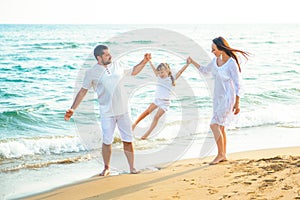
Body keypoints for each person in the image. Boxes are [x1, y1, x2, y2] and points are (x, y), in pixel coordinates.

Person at [64, 45, 151, 176]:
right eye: (106, 55)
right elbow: (82, 92)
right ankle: (106, 168)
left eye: (109, 53)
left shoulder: (118, 65)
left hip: (124, 110)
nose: (109, 56)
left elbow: (133, 71)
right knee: (107, 141)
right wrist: (73, 108)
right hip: (107, 113)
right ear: (98, 58)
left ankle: (132, 167)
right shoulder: (91, 73)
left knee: (128, 140)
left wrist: (144, 61)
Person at [188, 36, 249, 165]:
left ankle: (220, 154)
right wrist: (192, 62)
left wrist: (237, 103)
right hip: (218, 98)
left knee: (214, 125)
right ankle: (223, 154)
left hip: (228, 98)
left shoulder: (231, 63)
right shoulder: (216, 60)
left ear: (221, 49)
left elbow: (238, 85)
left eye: (213, 49)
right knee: (220, 126)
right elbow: (205, 71)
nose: (212, 52)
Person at [132, 59, 190, 139]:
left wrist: (187, 64)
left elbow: (180, 72)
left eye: (162, 72)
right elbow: (154, 70)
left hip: (165, 103)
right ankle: (134, 125)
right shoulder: (159, 77)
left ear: (167, 70)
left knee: (156, 117)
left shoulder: (171, 78)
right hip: (157, 100)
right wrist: (150, 61)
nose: (160, 74)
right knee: (146, 112)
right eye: (159, 72)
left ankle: (146, 135)